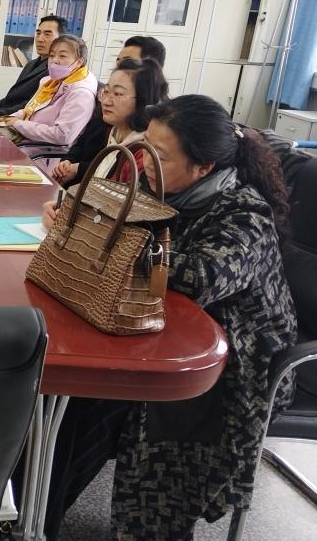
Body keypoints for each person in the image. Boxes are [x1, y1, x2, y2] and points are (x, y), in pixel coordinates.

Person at [38, 95, 297, 540]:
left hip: (235, 363)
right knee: (78, 399)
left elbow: (200, 278)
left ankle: (130, 526)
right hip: (161, 330)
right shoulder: (159, 190)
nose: (144, 162)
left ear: (204, 167)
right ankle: (32, 517)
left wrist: (106, 239)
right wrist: (74, 219)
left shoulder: (245, 213)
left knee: (101, 401)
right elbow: (122, 233)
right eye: (145, 148)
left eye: (160, 155)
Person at [50, 58, 168, 186]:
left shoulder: (143, 151)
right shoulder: (114, 131)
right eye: (106, 91)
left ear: (143, 99)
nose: (106, 102)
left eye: (118, 94)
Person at [0, 35, 98, 153]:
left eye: (62, 56)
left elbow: (62, 135)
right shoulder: (51, 81)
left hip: (44, 152)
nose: (54, 60)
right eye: (52, 55)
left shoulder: (81, 93)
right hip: (26, 139)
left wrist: (18, 124)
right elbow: (29, 110)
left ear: (79, 62)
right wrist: (8, 119)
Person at [0, 16, 65, 119]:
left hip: (22, 120)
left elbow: (31, 104)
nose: (40, 39)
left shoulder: (55, 71)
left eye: (47, 34)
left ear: (60, 40)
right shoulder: (31, 64)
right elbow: (12, 98)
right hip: (6, 117)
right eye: (38, 33)